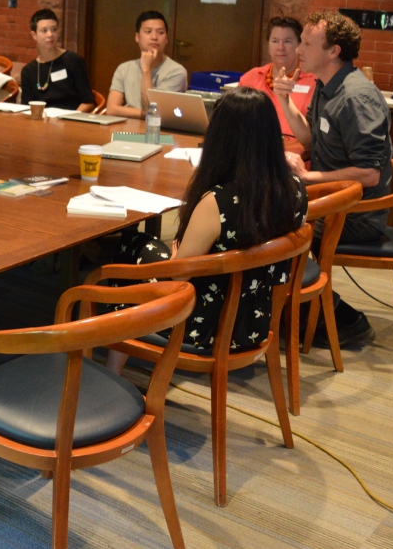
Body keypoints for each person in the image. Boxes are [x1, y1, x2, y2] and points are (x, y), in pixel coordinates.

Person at [105, 87, 308, 372]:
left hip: (206, 325)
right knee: (139, 248)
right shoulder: (295, 187)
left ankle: (111, 368)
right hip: (255, 319)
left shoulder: (218, 201)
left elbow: (177, 273)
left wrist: (177, 247)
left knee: (133, 249)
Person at [274, 10, 391, 345]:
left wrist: (309, 177)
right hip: (328, 198)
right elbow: (312, 140)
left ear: (333, 51)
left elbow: (370, 173)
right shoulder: (326, 86)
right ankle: (292, 306)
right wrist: (284, 100)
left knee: (273, 222)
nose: (298, 50)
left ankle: (331, 314)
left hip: (357, 213)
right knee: (263, 212)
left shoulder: (356, 97)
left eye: (308, 44)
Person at [239, 17, 318, 153]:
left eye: (287, 41)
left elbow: (316, 140)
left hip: (297, 158)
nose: (280, 48)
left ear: (299, 46)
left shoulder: (315, 82)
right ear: (268, 45)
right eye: (275, 41)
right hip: (251, 152)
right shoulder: (251, 77)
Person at [106, 10, 188, 118]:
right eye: (148, 31)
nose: (154, 37)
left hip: (158, 131)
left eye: (160, 32)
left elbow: (152, 114)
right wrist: (143, 113)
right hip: (127, 128)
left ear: (167, 39)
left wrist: (146, 70)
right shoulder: (124, 68)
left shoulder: (177, 72)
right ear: (137, 37)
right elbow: (111, 109)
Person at [19, 8, 93, 111]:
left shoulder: (73, 61)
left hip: (70, 120)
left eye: (54, 29)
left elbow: (88, 101)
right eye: (44, 31)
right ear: (34, 35)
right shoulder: (28, 71)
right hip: (41, 122)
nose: (50, 35)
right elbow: (26, 108)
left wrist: (70, 118)